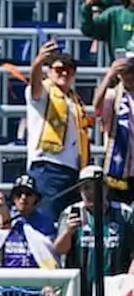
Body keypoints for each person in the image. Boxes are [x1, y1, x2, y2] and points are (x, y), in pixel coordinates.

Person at [27, 41, 87, 226]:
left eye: (69, 70)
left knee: (69, 225)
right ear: (49, 71)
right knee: (48, 222)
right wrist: (38, 62)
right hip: (48, 166)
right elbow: (34, 84)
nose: (64, 73)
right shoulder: (44, 92)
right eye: (59, 69)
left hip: (72, 170)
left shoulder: (74, 100)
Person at [55, 164, 134, 275]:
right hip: (80, 286)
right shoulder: (70, 212)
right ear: (79, 190)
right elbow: (59, 250)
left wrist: (129, 281)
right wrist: (68, 232)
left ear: (106, 188)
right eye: (86, 187)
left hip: (116, 286)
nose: (91, 192)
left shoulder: (125, 213)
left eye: (96, 187)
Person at [95, 57, 134, 204]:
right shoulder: (113, 95)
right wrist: (109, 75)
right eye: (123, 72)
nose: (128, 76)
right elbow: (97, 106)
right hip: (118, 168)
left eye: (131, 71)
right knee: (118, 211)